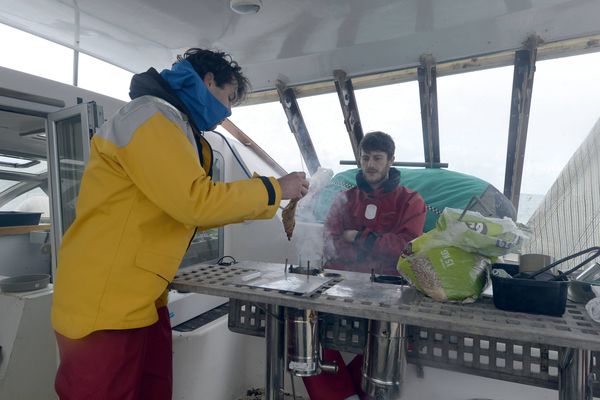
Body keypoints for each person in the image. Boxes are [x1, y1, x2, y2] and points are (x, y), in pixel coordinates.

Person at [51, 48, 308, 400]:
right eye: (229, 97)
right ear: (207, 80)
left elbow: (179, 211)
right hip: (104, 302)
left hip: (141, 298)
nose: (229, 111)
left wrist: (256, 201)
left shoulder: (177, 127)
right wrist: (274, 189)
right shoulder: (150, 117)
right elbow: (194, 202)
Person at [304, 131, 426, 400]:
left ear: (391, 160)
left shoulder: (410, 201)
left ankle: (367, 394)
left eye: (377, 158)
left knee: (390, 341)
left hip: (389, 289)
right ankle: (342, 396)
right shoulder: (345, 199)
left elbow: (406, 246)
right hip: (342, 284)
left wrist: (360, 237)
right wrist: (376, 244)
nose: (370, 164)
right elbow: (330, 240)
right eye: (365, 157)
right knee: (303, 326)